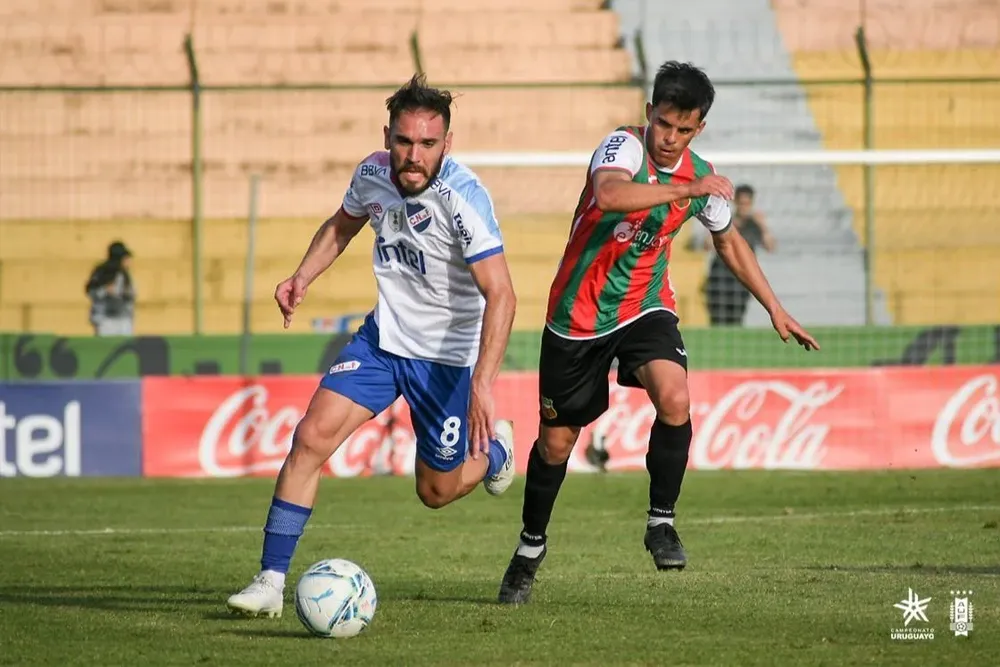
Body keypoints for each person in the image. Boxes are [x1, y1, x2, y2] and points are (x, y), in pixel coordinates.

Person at [497, 61, 819, 605]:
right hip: (578, 315)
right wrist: (686, 189)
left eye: (683, 129)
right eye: (664, 124)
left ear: (699, 129)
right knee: (556, 444)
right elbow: (609, 195)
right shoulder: (623, 147)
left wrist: (775, 307)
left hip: (645, 306)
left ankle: (660, 523)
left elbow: (729, 242)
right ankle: (529, 550)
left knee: (675, 398)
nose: (670, 138)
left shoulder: (702, 174)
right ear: (649, 113)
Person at [227, 74, 518, 618]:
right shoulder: (371, 173)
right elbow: (343, 225)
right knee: (310, 438)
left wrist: (482, 383)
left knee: (435, 492)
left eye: (428, 143)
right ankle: (270, 581)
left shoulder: (464, 198)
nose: (414, 156)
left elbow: (501, 294)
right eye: (404, 141)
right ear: (387, 137)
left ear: (447, 144)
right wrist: (301, 277)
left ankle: (497, 452)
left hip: (446, 361)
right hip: (382, 342)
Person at [703, 184, 776, 326]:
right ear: (735, 202)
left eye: (747, 204)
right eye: (741, 203)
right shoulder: (725, 220)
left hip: (743, 277)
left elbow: (770, 247)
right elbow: (707, 246)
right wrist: (723, 227)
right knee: (717, 319)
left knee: (737, 319)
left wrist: (763, 226)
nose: (743, 207)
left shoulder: (754, 224)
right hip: (721, 276)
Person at [85, 241, 136, 336]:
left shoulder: (124, 275)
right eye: (125, 258)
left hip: (123, 319)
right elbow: (91, 291)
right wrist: (105, 290)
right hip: (105, 319)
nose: (128, 261)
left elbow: (131, 295)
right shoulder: (102, 272)